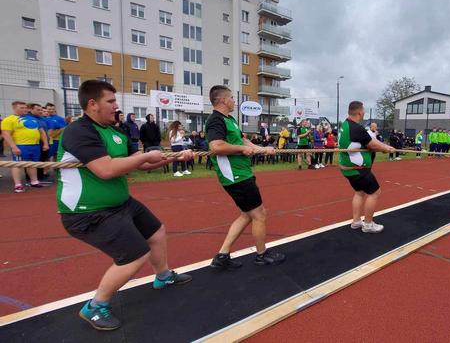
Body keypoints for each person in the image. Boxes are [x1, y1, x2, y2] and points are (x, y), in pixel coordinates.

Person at [57, 80, 193, 330]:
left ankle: (163, 277)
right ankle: (96, 306)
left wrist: (176, 158)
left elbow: (138, 164)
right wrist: (145, 155)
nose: (115, 106)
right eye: (110, 101)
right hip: (86, 213)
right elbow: (106, 170)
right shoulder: (79, 131)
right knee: (134, 255)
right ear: (92, 104)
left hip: (120, 203)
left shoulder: (115, 132)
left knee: (156, 232)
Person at [205, 85, 285, 269]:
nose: (234, 100)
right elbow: (216, 146)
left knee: (246, 215)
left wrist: (263, 149)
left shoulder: (230, 119)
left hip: (242, 172)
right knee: (259, 214)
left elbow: (243, 141)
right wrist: (242, 149)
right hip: (236, 176)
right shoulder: (215, 120)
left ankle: (222, 256)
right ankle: (261, 255)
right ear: (223, 100)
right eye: (232, 97)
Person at [339, 101, 395, 233]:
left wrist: (384, 147)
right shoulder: (356, 128)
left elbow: (369, 142)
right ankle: (368, 224)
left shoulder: (345, 124)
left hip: (348, 169)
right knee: (375, 192)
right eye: (363, 110)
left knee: (359, 192)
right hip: (358, 170)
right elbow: (373, 144)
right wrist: (387, 148)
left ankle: (356, 221)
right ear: (359, 112)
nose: (364, 112)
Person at [1, 101, 47, 192]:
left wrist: (45, 143)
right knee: (17, 164)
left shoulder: (32, 119)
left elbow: (41, 131)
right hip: (21, 146)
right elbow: (6, 134)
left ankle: (34, 181)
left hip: (35, 145)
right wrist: (14, 147)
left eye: (25, 107)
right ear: (14, 108)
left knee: (32, 164)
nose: (24, 109)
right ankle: (18, 185)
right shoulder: (9, 119)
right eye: (21, 108)